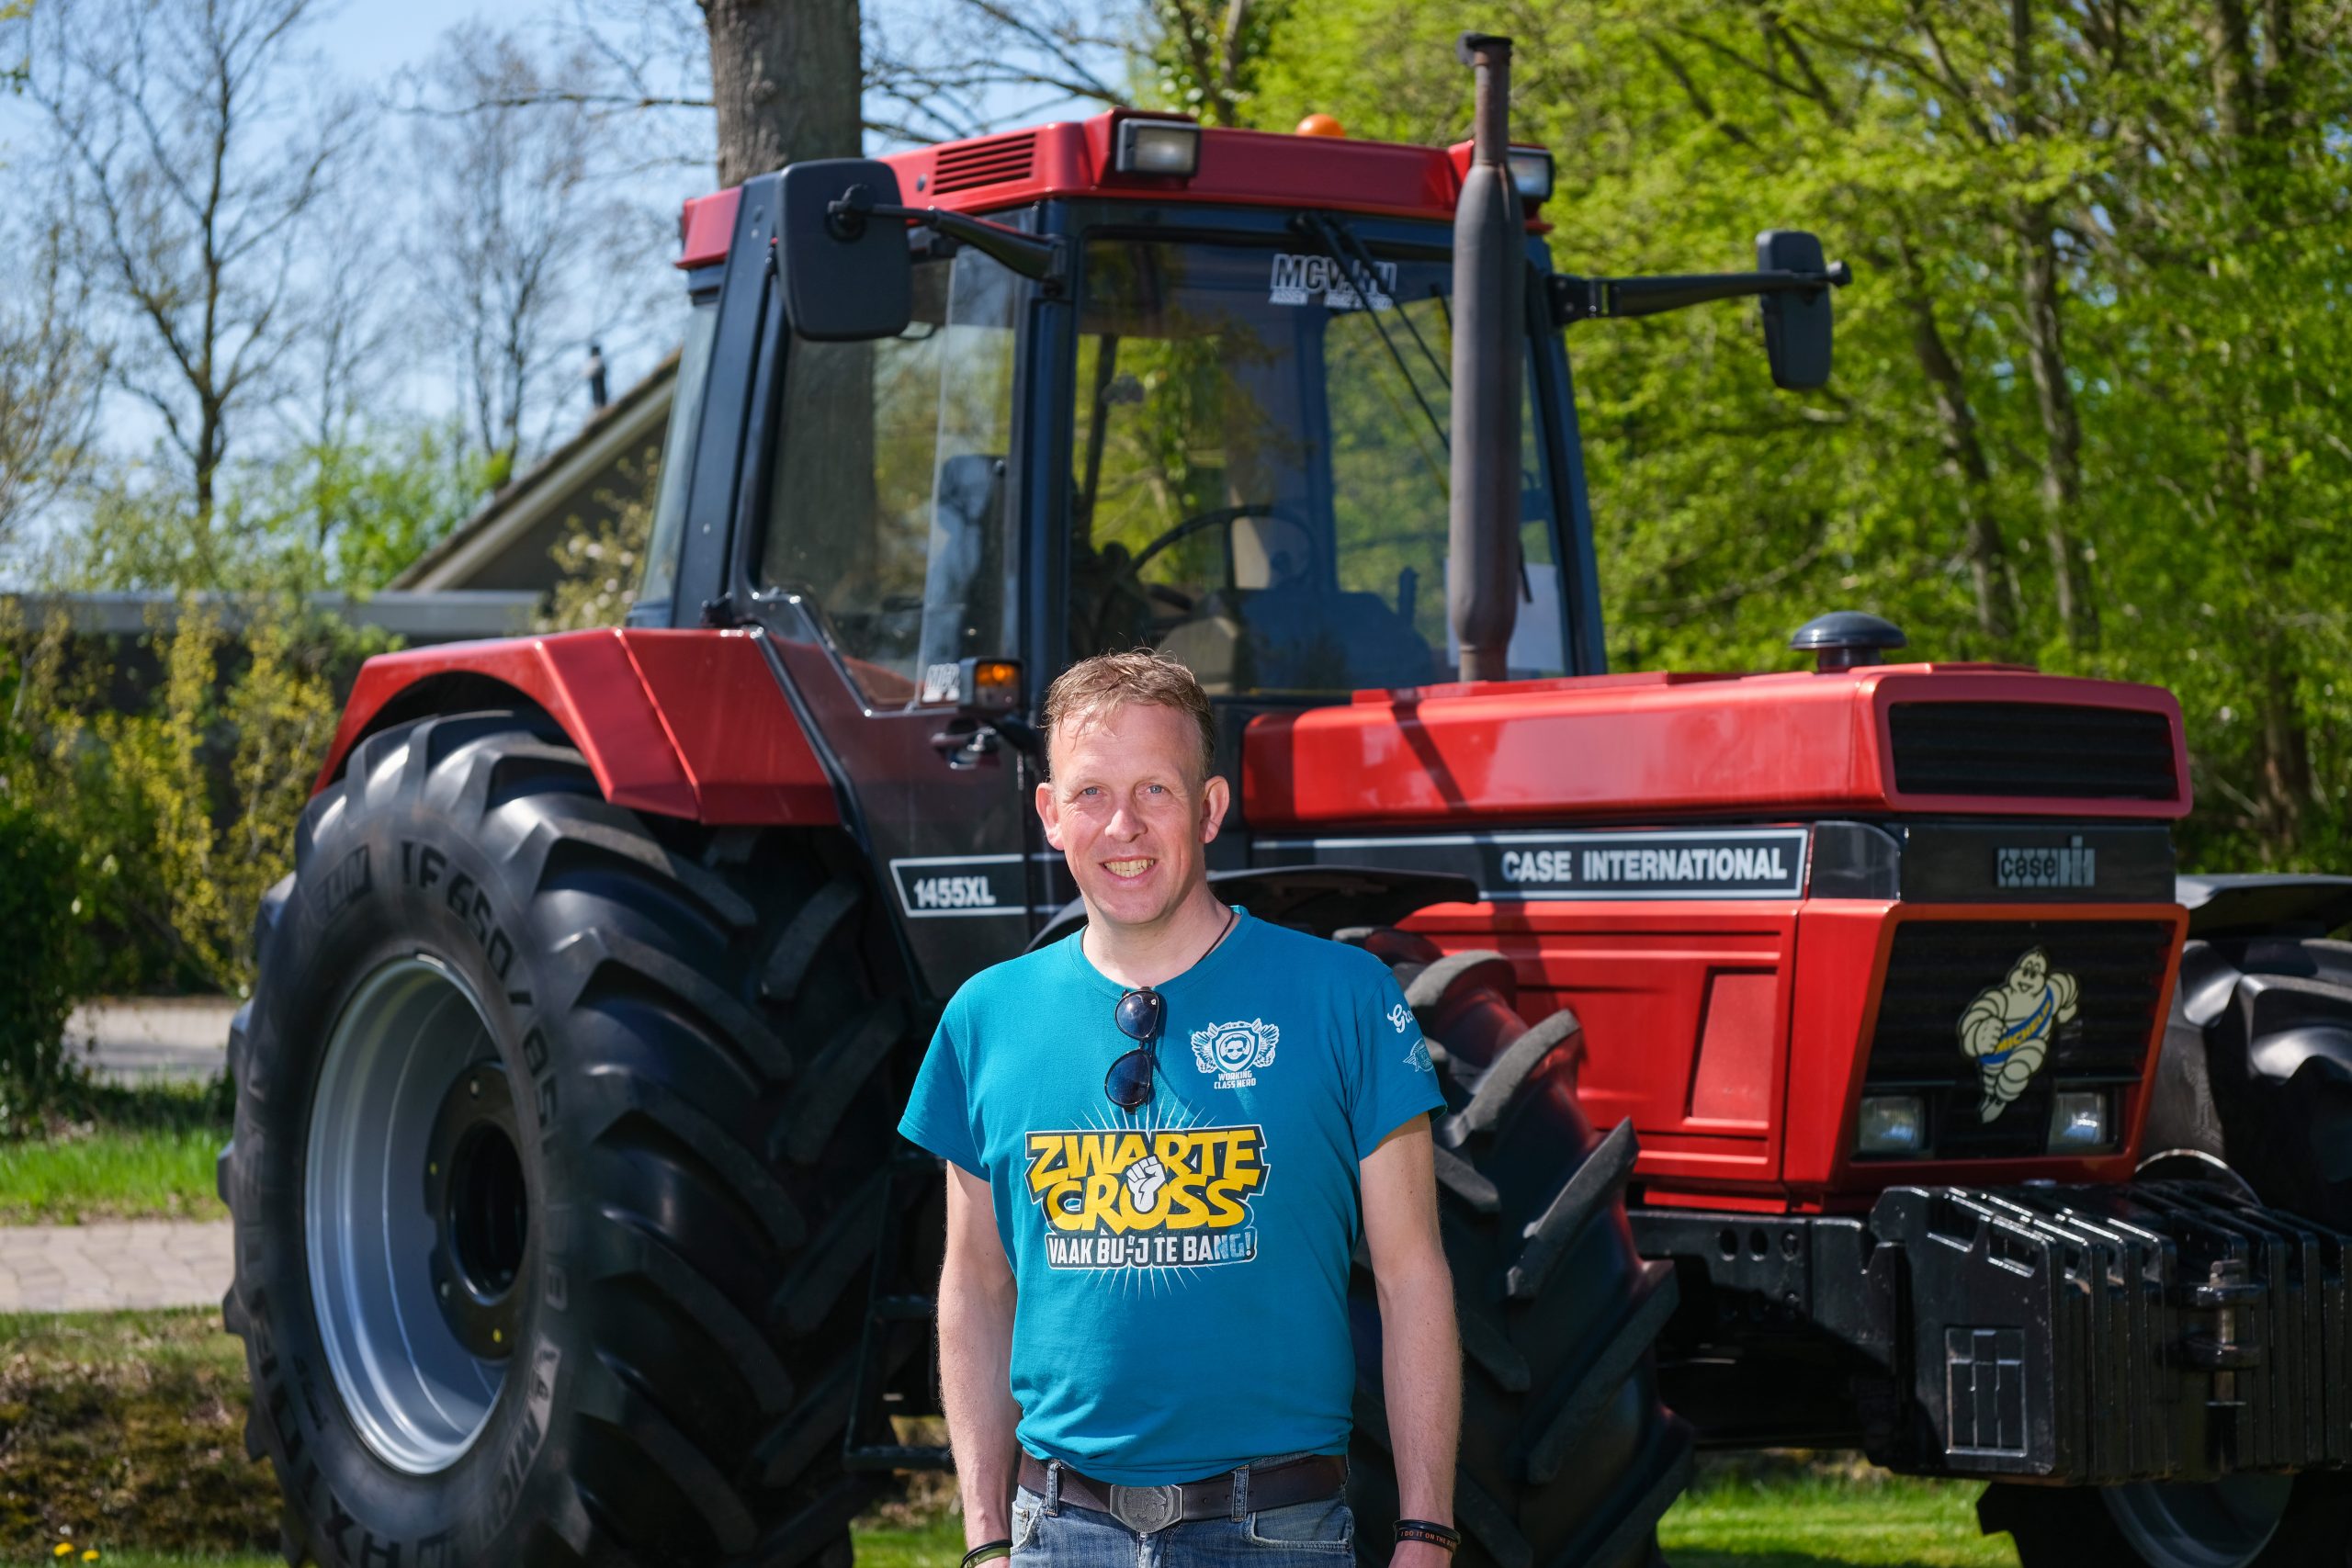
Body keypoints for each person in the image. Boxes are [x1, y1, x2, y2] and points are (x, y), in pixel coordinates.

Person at [898, 649, 1464, 1567]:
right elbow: (975, 1286)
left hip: (1276, 1531)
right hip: (1061, 1534)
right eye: (1089, 794)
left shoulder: (1346, 999)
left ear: (1208, 808)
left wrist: (1426, 1529)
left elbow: (1411, 1275)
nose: (1122, 826)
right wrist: (985, 1539)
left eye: (1155, 790)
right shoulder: (983, 1020)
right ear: (1048, 814)